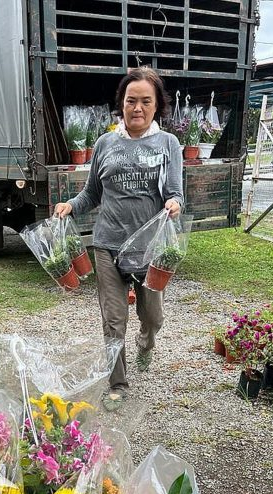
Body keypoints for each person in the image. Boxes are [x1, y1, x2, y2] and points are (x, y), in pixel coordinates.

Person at [55, 67, 184, 411]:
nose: (137, 108)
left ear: (157, 106)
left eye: (145, 101)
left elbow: (176, 193)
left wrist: (174, 203)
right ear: (121, 104)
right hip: (107, 244)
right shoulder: (105, 143)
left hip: (149, 249)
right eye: (131, 101)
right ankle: (118, 382)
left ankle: (146, 340)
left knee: (152, 316)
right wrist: (71, 205)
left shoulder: (168, 144)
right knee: (113, 320)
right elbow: (91, 193)